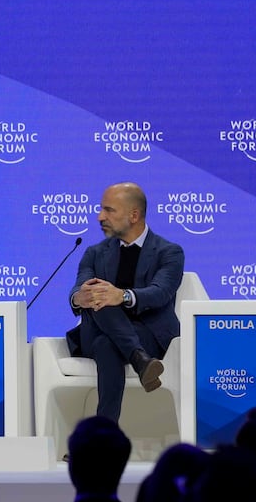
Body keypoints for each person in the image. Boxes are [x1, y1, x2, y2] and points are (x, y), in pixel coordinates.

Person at [66, 181, 184, 423]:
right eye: (101, 209)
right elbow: (81, 286)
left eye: (109, 210)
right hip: (101, 328)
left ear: (134, 215)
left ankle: (101, 438)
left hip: (149, 335)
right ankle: (140, 360)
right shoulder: (94, 253)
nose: (100, 217)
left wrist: (123, 295)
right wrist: (79, 297)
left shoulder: (169, 252)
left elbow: (160, 292)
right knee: (99, 294)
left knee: (106, 344)